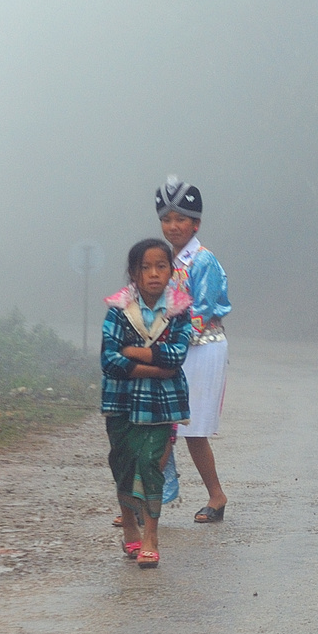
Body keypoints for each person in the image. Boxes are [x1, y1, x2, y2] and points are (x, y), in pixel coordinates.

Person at [102, 238, 192, 568]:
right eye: (145, 267)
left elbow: (178, 355)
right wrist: (157, 367)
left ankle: (151, 537)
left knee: (151, 464)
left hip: (161, 404)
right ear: (134, 273)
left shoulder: (180, 310)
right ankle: (129, 525)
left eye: (161, 266)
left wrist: (134, 353)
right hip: (121, 402)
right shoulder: (118, 310)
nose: (154, 273)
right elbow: (109, 360)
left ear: (171, 271)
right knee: (124, 463)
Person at [156, 177, 232, 524]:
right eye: (167, 219)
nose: (173, 227)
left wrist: (163, 340)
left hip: (203, 350)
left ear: (195, 224)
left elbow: (199, 313)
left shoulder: (204, 261)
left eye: (180, 220)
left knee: (191, 429)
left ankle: (215, 496)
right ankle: (146, 498)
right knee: (162, 423)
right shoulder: (164, 262)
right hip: (174, 349)